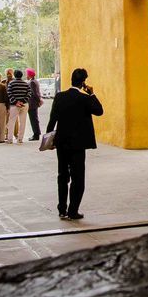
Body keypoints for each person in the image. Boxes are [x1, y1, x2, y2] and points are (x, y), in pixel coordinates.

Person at [46, 68, 104, 220]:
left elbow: (52, 119)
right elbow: (99, 111)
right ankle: (73, 211)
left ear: (71, 80)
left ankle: (61, 209)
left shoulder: (60, 97)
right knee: (78, 178)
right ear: (83, 82)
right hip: (78, 144)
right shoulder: (85, 99)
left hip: (62, 142)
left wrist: (49, 139)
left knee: (62, 176)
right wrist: (91, 93)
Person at [6, 70, 32, 144]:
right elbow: (29, 93)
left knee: (11, 122)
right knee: (23, 122)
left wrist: (16, 102)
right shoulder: (26, 83)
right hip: (24, 105)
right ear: (21, 75)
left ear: (14, 75)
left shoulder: (11, 83)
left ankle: (10, 139)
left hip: (14, 105)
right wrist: (23, 101)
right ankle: (20, 139)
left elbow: (9, 93)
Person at [26, 68, 44, 140]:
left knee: (33, 119)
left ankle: (36, 134)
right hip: (34, 103)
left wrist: (39, 100)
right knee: (34, 119)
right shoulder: (34, 81)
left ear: (29, 75)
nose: (26, 75)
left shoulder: (32, 82)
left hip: (32, 103)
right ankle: (36, 133)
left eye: (27, 74)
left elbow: (35, 93)